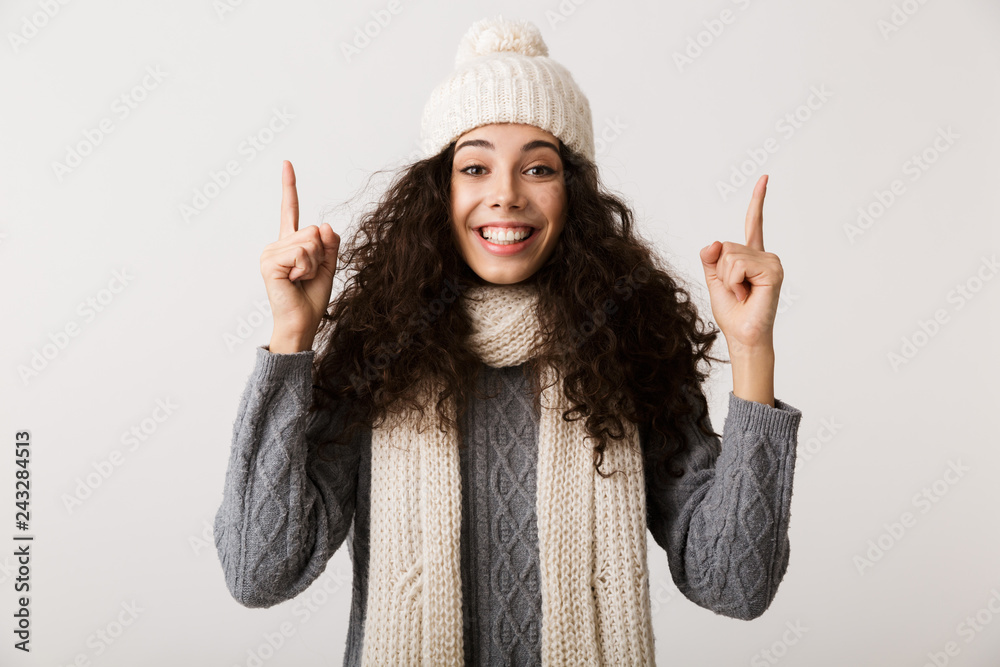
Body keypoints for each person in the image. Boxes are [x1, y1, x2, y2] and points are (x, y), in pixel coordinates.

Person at [213, 15, 803, 667]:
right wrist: (292, 336)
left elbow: (734, 583)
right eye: (474, 167)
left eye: (538, 168)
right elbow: (259, 569)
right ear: (438, 191)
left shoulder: (627, 344)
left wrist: (752, 352)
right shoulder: (378, 349)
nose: (505, 195)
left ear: (572, 194)